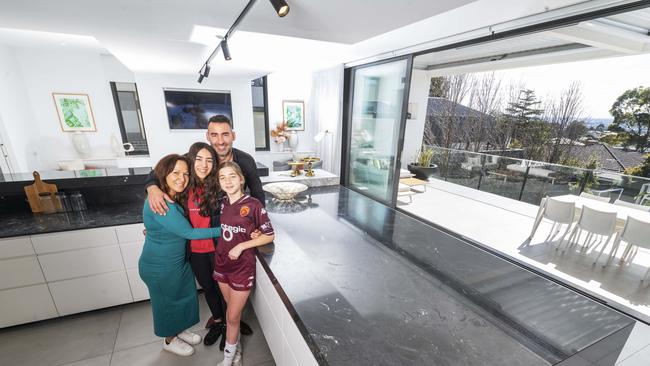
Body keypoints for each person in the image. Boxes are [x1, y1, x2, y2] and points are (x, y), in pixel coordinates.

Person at [138, 154, 222, 357]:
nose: (181, 178)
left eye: (185, 173)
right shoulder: (160, 201)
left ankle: (178, 331)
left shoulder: (171, 196)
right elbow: (189, 233)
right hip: (160, 266)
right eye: (175, 173)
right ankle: (169, 339)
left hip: (178, 261)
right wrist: (226, 229)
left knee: (182, 299)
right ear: (163, 175)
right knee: (166, 304)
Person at [213, 161, 275, 366]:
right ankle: (236, 349)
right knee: (232, 312)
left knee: (231, 316)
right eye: (223, 177)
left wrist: (242, 246)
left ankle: (229, 359)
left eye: (232, 176)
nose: (227, 181)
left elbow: (269, 235)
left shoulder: (254, 204)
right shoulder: (222, 203)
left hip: (242, 267)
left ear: (241, 179)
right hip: (222, 264)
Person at [146, 114, 265, 215]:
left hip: (233, 217)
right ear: (207, 137)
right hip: (199, 219)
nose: (220, 141)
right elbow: (159, 172)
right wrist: (152, 189)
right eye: (214, 135)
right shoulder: (195, 158)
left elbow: (257, 192)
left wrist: (259, 219)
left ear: (233, 135)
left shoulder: (246, 160)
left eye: (225, 134)